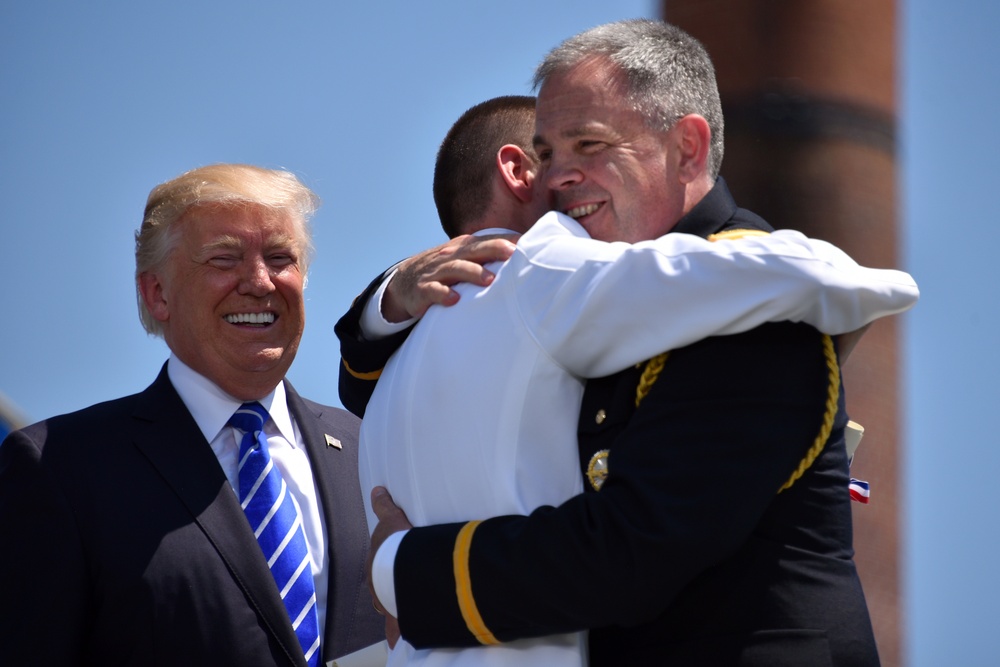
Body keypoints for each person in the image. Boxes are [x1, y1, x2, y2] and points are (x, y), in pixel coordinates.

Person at [341, 25, 917, 663]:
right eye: (547, 154)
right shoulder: (611, 294)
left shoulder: (749, 301)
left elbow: (635, 548)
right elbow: (408, 372)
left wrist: (400, 573)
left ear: (687, 149)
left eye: (588, 145)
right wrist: (388, 300)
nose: (558, 179)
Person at [0, 164, 383, 666]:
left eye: (280, 258)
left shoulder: (372, 447)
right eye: (224, 259)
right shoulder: (59, 466)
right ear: (156, 293)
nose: (259, 282)